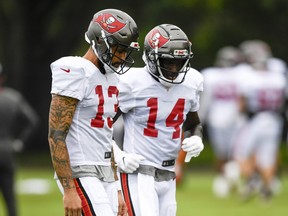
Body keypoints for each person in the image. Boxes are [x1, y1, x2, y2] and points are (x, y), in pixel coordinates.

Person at [48, 9, 140, 216]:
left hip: (104, 170)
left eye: (126, 51)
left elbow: (106, 135)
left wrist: (116, 188)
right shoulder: (75, 70)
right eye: (118, 49)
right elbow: (56, 134)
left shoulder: (112, 78)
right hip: (80, 169)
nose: (122, 57)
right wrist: (69, 188)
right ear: (99, 41)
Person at [112, 24, 204, 216]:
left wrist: (196, 137)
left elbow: (193, 124)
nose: (173, 69)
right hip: (138, 173)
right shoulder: (132, 83)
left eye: (179, 63)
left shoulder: (192, 82)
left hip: (169, 175)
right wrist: (117, 155)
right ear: (151, 58)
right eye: (168, 62)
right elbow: (100, 126)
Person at [233, 40, 286, 201]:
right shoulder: (279, 77)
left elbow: (242, 105)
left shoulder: (250, 78)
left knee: (240, 153)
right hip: (275, 119)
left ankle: (252, 179)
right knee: (267, 156)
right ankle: (267, 190)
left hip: (255, 119)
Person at [198, 46, 246, 197]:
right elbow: (243, 99)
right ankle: (228, 178)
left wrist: (200, 119)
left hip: (216, 118)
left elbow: (205, 101)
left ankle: (223, 179)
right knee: (234, 152)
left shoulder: (210, 74)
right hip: (235, 119)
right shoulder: (242, 73)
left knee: (221, 153)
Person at [0, 62, 39, 216]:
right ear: (3, 78)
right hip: (7, 152)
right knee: (10, 200)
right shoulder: (13, 98)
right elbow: (33, 120)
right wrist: (20, 142)